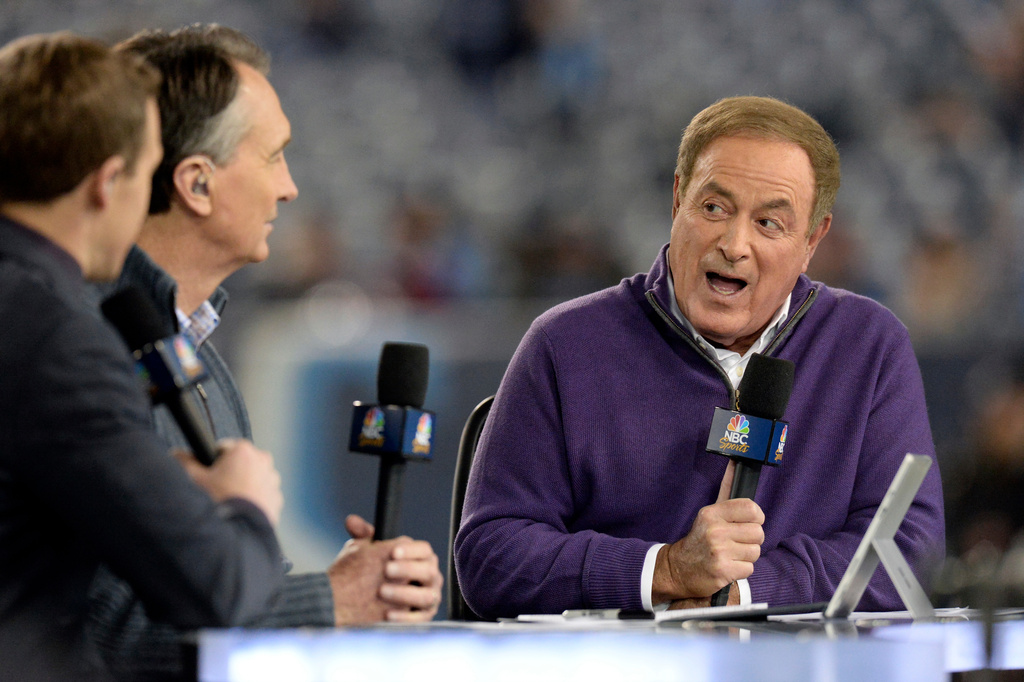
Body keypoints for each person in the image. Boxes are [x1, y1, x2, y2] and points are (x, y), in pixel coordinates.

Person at [455, 95, 946, 619]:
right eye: (714, 208)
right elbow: (491, 555)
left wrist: (744, 594)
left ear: (812, 239)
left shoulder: (869, 346)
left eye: (769, 223)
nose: (734, 245)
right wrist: (664, 571)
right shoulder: (564, 344)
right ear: (677, 201)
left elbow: (909, 551)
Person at [86, 24, 443, 680]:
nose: (290, 188)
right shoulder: (84, 353)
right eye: (274, 157)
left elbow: (220, 591)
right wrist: (331, 600)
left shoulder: (200, 360)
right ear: (197, 184)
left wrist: (345, 590)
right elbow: (106, 636)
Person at [0, 32, 288, 681]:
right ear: (108, 184)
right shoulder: (60, 339)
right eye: (146, 171)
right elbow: (215, 591)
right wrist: (242, 503)